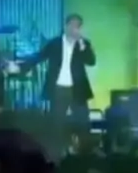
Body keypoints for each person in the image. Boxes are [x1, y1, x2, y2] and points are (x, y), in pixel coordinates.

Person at [12, 14, 96, 156]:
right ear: (66, 26)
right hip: (58, 89)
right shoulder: (55, 43)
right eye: (73, 25)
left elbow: (91, 61)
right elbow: (38, 56)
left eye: (78, 26)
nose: (75, 29)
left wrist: (83, 46)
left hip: (78, 89)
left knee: (83, 122)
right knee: (56, 124)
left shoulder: (83, 44)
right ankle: (55, 155)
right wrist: (20, 67)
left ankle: (85, 154)